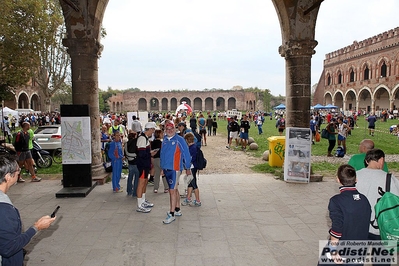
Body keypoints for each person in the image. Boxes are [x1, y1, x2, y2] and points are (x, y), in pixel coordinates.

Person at [0, 154, 56, 265]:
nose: (19, 172)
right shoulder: (4, 210)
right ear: (8, 177)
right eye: (18, 170)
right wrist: (36, 227)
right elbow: (8, 248)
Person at [318, 164, 371, 266]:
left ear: (338, 179)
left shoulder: (336, 201)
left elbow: (337, 227)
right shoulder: (364, 200)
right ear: (356, 179)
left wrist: (333, 251)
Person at [355, 149, 399, 266]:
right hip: (383, 228)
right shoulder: (390, 178)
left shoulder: (355, 176)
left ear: (366, 161)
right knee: (382, 262)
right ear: (381, 160)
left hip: (359, 227)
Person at [160, 121, 192, 224]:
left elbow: (186, 154)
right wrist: (162, 168)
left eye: (171, 129)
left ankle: (171, 213)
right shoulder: (164, 139)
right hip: (166, 168)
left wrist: (187, 167)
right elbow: (162, 154)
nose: (169, 131)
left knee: (172, 191)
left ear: (175, 129)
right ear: (165, 130)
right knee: (175, 188)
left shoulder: (180, 140)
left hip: (175, 169)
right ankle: (177, 209)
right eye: (167, 129)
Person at [136, 122, 157, 213]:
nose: (153, 132)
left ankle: (143, 200)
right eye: (153, 130)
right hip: (142, 164)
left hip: (146, 164)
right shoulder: (142, 139)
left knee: (144, 182)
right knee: (141, 183)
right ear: (150, 129)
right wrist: (150, 153)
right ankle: (139, 204)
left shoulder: (145, 138)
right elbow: (141, 154)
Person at [182, 133, 201, 207]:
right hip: (193, 167)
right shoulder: (195, 146)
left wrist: (187, 168)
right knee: (190, 183)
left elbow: (189, 159)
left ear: (187, 140)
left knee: (194, 184)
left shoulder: (191, 148)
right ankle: (188, 198)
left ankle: (198, 200)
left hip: (191, 167)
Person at [151, 129, 168, 193]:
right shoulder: (161, 143)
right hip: (161, 159)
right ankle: (166, 187)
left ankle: (155, 188)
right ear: (159, 134)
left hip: (155, 159)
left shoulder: (153, 142)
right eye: (162, 133)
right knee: (163, 173)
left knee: (157, 174)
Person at [124, 131, 140, 197]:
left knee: (130, 177)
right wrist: (136, 156)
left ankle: (129, 190)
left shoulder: (126, 143)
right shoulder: (136, 143)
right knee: (137, 178)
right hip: (136, 162)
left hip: (130, 162)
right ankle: (135, 192)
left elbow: (125, 153)